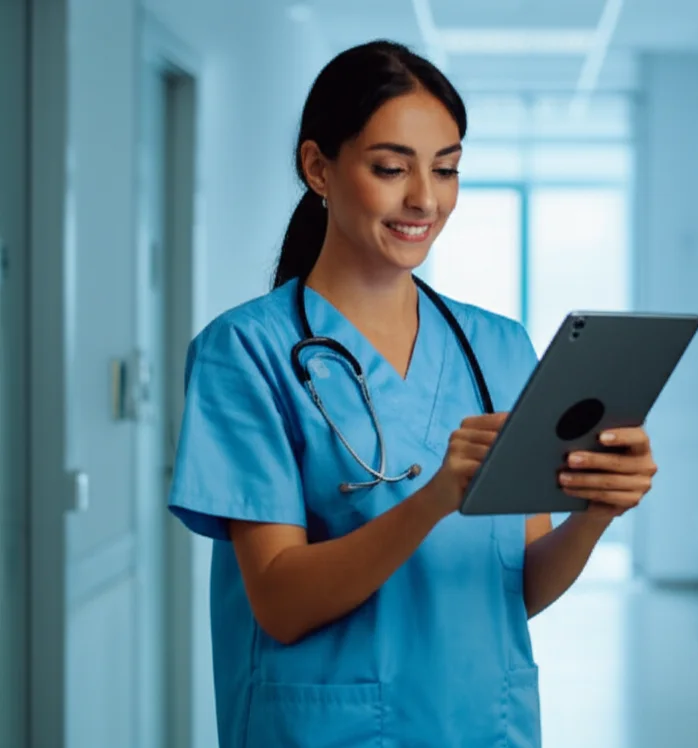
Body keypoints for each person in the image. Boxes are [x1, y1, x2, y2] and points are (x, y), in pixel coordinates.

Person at [167, 39, 659, 748]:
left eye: (447, 169)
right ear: (319, 169)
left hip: (487, 728)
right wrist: (433, 498)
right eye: (391, 168)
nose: (425, 199)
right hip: (325, 733)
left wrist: (597, 515)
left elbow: (516, 589)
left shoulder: (499, 348)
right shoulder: (246, 351)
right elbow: (279, 601)